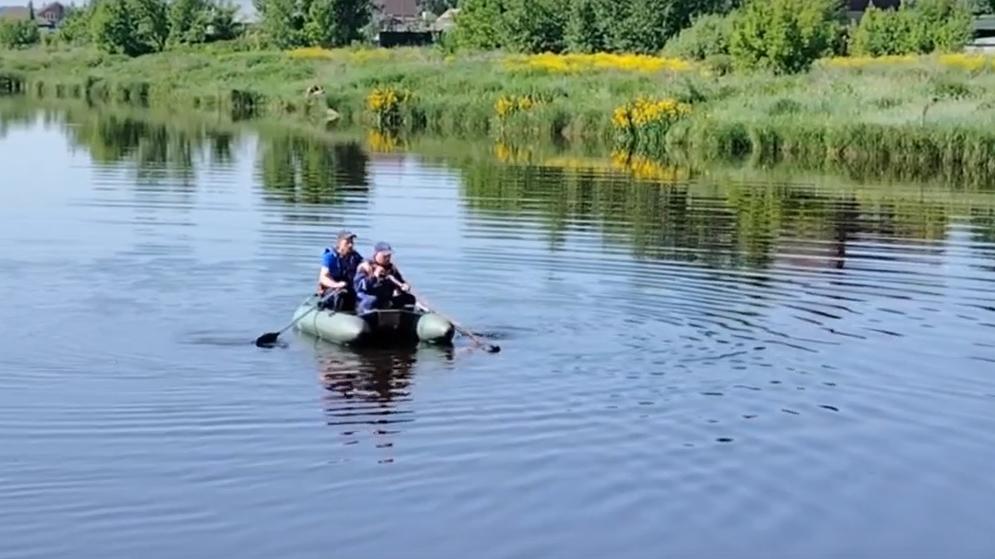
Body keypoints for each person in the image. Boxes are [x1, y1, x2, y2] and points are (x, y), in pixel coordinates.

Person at [354, 241, 416, 313]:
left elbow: (399, 281)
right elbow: (359, 287)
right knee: (372, 300)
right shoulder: (367, 267)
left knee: (409, 298)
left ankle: (404, 317)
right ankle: (365, 316)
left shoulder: (391, 269)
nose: (387, 258)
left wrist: (404, 286)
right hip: (368, 299)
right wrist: (375, 276)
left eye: (389, 256)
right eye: (384, 256)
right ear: (376, 254)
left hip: (385, 299)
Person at [316, 229, 363, 311]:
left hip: (348, 289)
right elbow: (323, 277)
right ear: (339, 243)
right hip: (332, 290)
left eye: (351, 242)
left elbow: (364, 263)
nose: (350, 245)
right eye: (347, 242)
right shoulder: (330, 257)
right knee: (340, 295)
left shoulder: (355, 257)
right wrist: (336, 285)